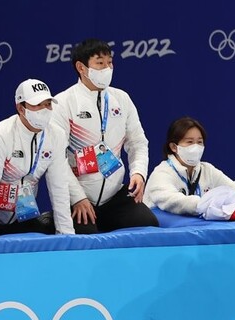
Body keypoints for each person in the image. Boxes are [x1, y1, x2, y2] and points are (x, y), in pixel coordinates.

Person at [51, 38, 158, 233]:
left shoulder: (122, 99)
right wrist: (77, 198)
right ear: (81, 68)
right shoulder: (63, 103)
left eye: (110, 62)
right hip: (80, 197)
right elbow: (56, 158)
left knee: (148, 223)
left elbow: (138, 143)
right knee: (87, 237)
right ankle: (52, 219)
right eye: (100, 63)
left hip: (115, 196)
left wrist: (139, 173)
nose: (107, 68)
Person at [0, 79, 75, 238]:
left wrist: (66, 233)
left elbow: (59, 186)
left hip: (21, 215)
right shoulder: (1, 135)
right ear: (21, 108)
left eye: (48, 104)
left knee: (48, 234)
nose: (45, 109)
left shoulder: (56, 135)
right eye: (38, 105)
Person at [144, 117, 235, 217]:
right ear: (174, 147)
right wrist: (209, 204)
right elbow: (172, 200)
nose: (195, 147)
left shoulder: (206, 170)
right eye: (189, 142)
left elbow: (234, 189)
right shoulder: (162, 173)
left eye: (199, 142)